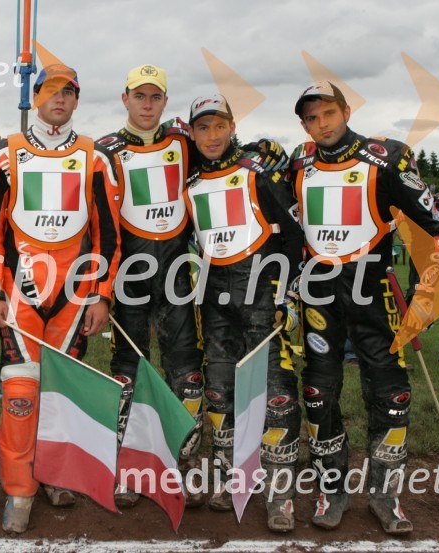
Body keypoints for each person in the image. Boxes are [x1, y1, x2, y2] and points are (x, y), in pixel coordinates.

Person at [288, 81, 438, 534]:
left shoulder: (388, 156)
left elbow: (429, 229)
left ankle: (385, 495)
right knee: (317, 394)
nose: (321, 124)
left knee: (392, 397)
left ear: (347, 110)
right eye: (311, 118)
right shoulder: (297, 160)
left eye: (328, 113)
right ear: (303, 124)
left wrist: (424, 295)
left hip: (374, 297)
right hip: (319, 299)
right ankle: (330, 491)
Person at [0, 64, 120, 533]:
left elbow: (108, 236)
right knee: (20, 391)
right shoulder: (5, 154)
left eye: (69, 92)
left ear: (77, 101)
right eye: (51, 90)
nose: (60, 99)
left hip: (74, 298)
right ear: (35, 95)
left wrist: (101, 295)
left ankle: (57, 472)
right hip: (19, 294)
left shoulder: (95, 156)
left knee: (61, 391)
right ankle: (19, 489)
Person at [184, 94, 303, 529]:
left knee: (276, 390)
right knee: (218, 391)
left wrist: (289, 293)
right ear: (192, 132)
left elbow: (294, 237)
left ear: (232, 127)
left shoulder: (259, 173)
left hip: (261, 294)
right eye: (202, 127)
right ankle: (231, 476)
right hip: (214, 297)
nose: (211, 135)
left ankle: (280, 493)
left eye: (219, 126)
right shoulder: (191, 180)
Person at [96, 65, 205, 508]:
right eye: (138, 96)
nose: (146, 104)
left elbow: (221, 154)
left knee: (187, 367)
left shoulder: (182, 140)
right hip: (130, 273)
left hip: (177, 269)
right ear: (124, 98)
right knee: (128, 367)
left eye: (154, 96)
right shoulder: (106, 149)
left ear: (164, 100)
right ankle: (130, 464)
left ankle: (187, 461)